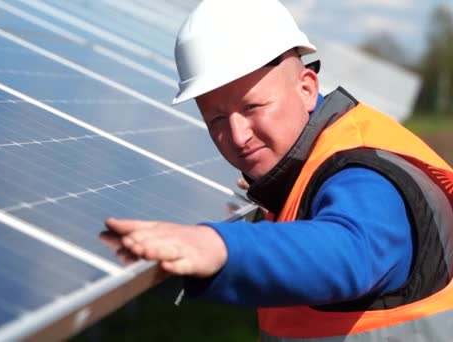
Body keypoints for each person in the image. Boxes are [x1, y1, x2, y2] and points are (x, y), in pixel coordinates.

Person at [103, 0, 453, 340]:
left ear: (306, 87)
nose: (238, 136)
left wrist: (218, 246)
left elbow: (350, 253)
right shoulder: (304, 168)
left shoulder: (362, 173)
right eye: (217, 120)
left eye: (253, 107)